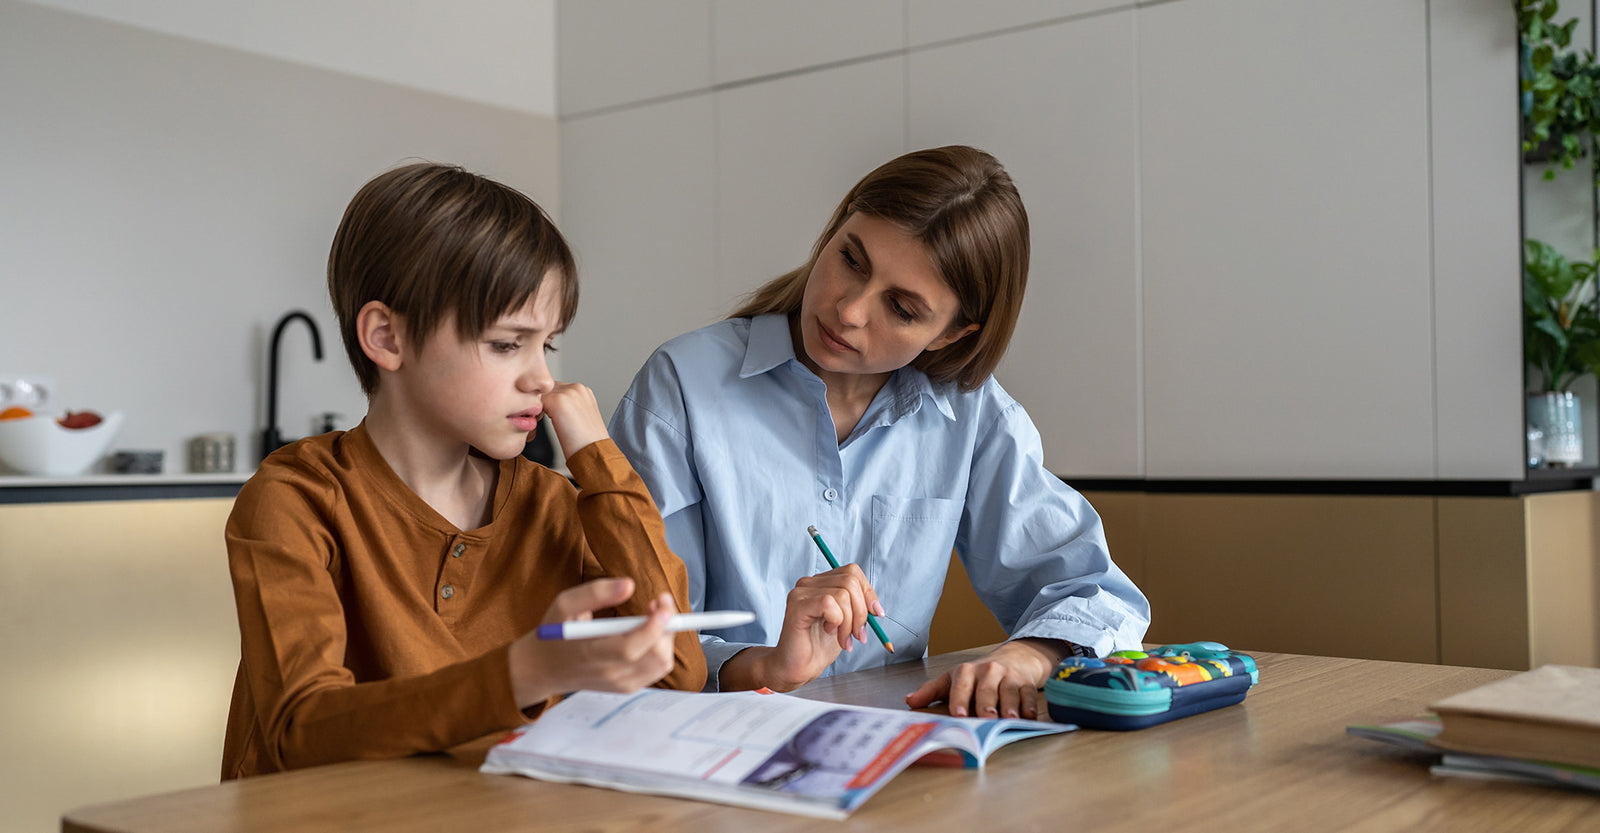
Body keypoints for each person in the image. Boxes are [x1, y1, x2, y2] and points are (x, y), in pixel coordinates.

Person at [609, 145, 1149, 721]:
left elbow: (1097, 595)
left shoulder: (972, 417)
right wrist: (764, 668)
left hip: (891, 761)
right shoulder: (681, 388)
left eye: (901, 307)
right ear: (835, 229)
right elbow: (638, 634)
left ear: (951, 335)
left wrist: (1028, 658)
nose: (849, 310)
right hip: (706, 750)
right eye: (852, 261)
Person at [222, 162, 706, 779]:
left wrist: (600, 464)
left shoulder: (552, 503)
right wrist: (526, 672)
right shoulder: (296, 498)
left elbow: (678, 675)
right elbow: (301, 730)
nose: (542, 378)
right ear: (387, 337)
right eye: (507, 344)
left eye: (547, 345)